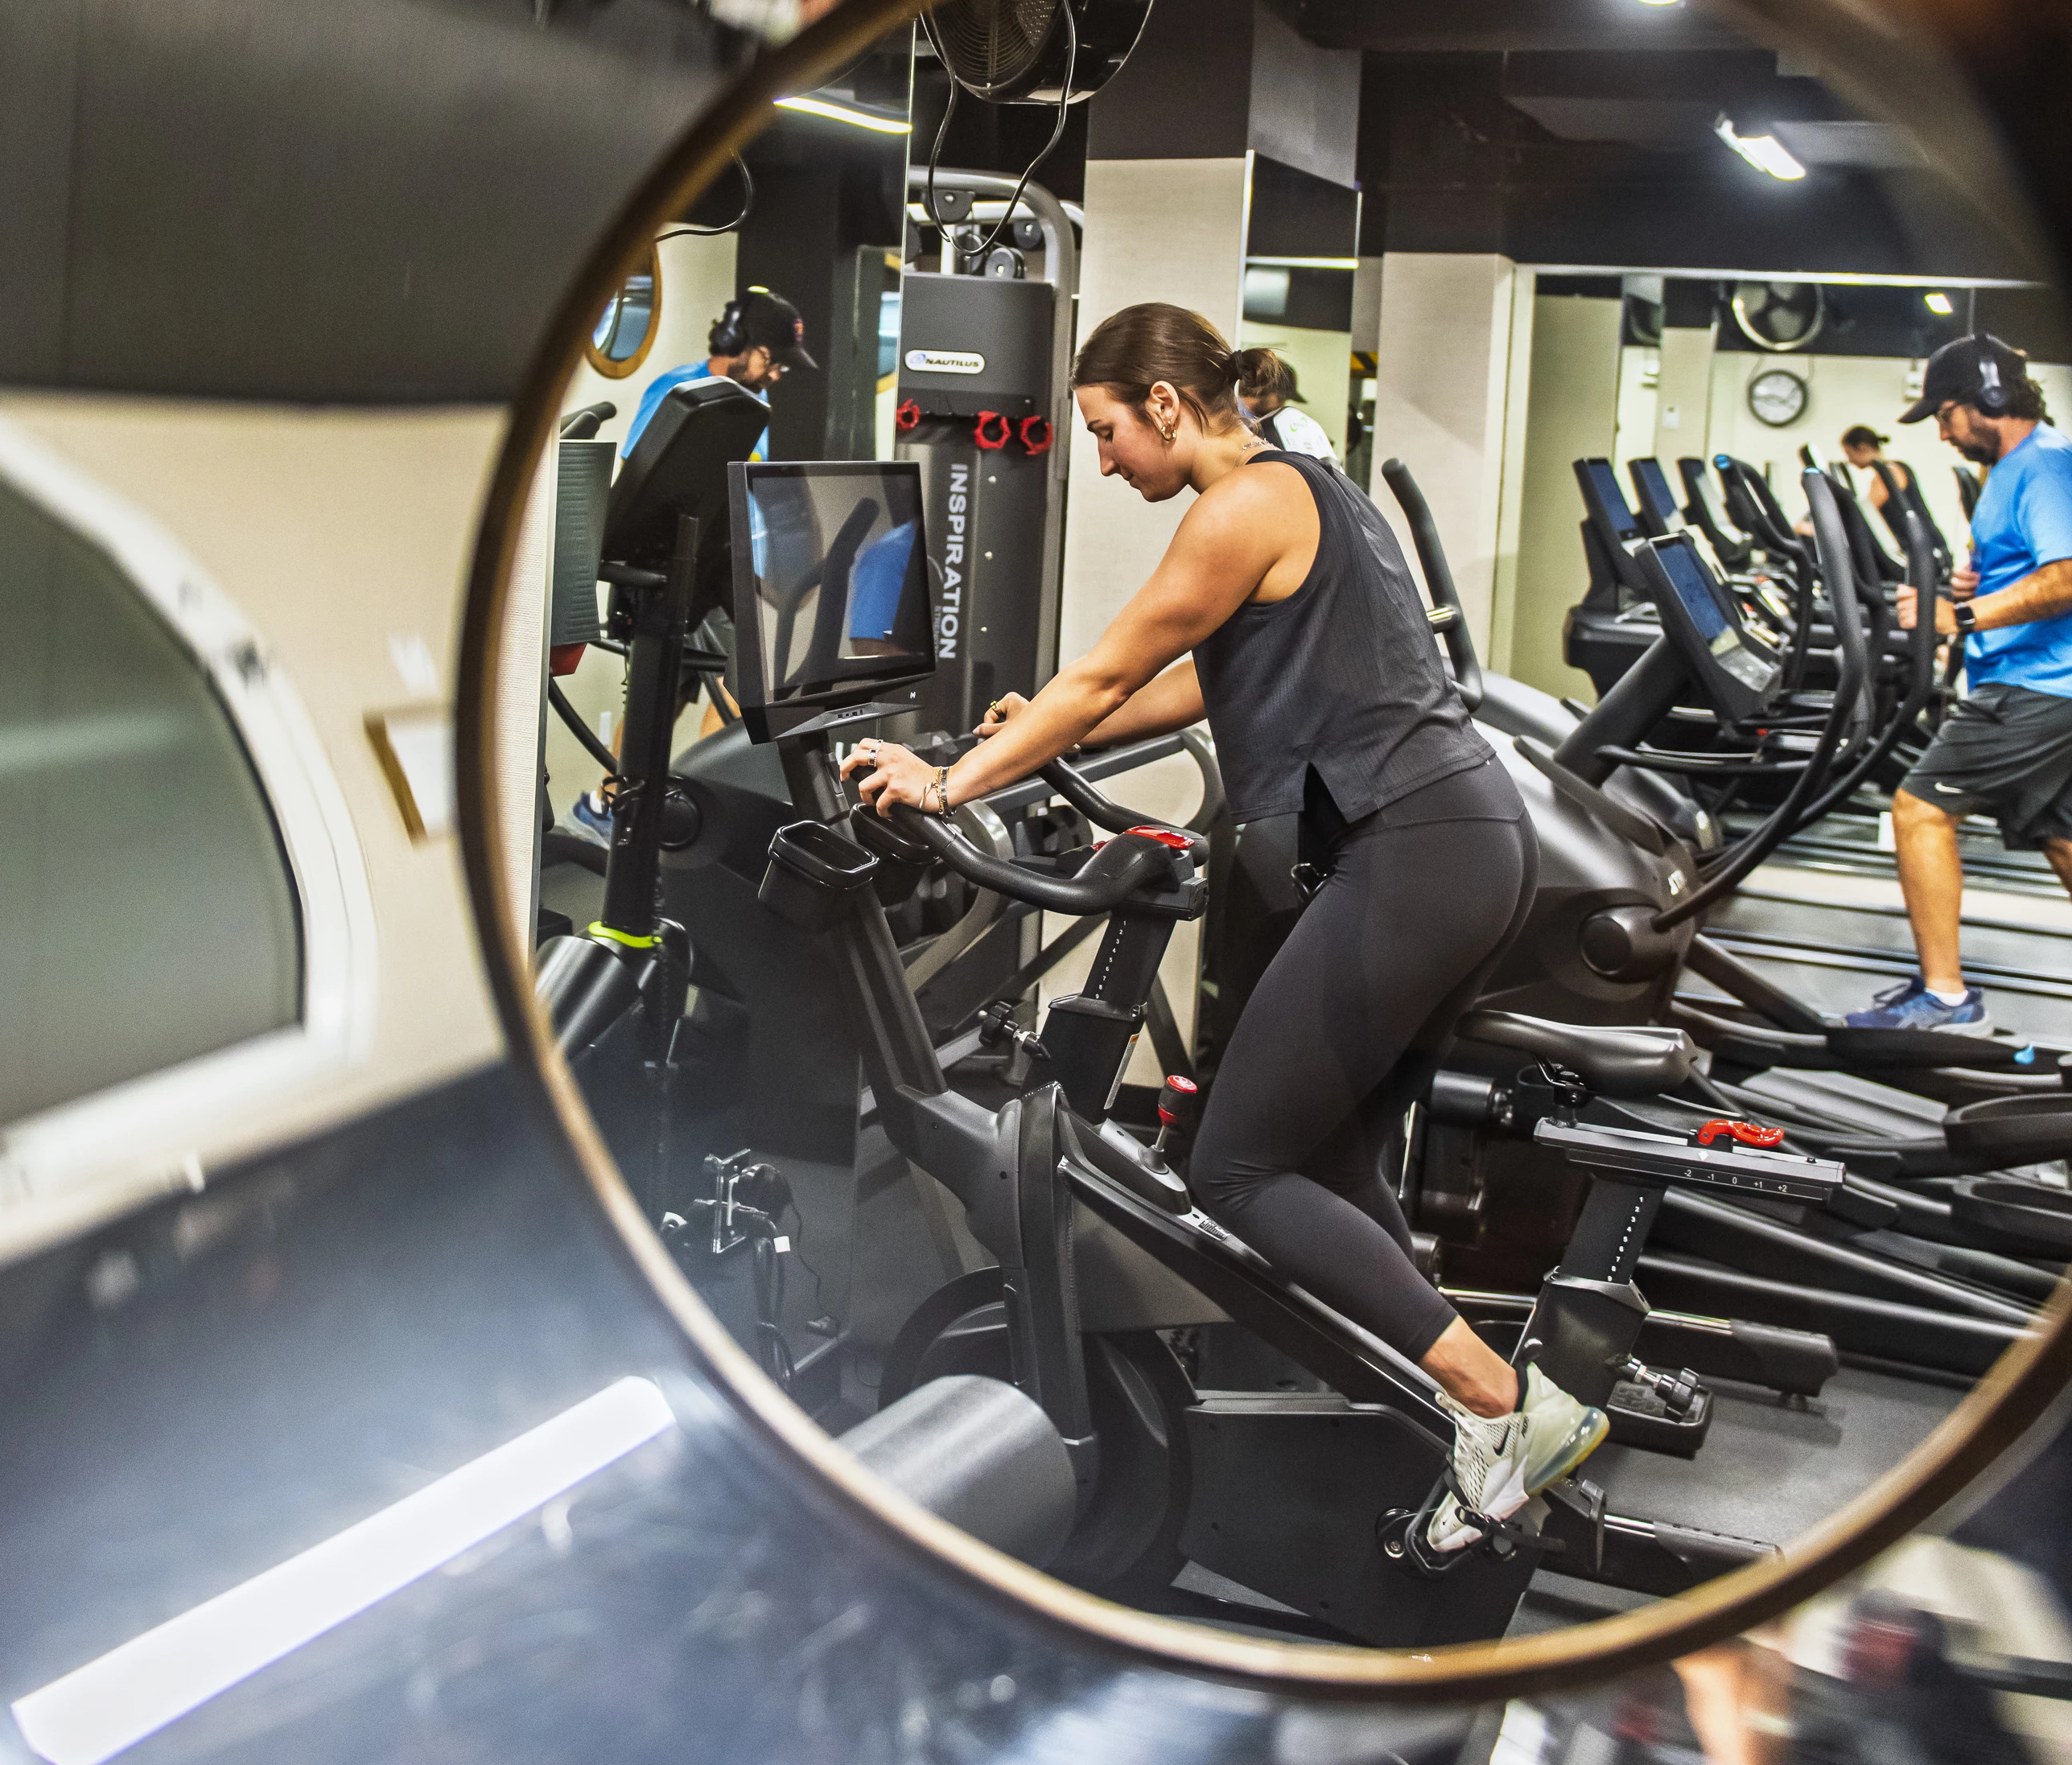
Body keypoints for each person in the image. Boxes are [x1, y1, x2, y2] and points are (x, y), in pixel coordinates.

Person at [842, 298, 1605, 1558]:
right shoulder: (1307, 480)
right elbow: (1203, 676)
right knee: (1335, 1166)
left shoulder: (1236, 506)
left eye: (1103, 435)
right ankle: (1440, 1420)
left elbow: (1103, 670)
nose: (1101, 463)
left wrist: (941, 786)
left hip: (1412, 853)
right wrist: (1045, 739)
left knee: (1235, 1171)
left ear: (1163, 405)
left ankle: (1502, 1405)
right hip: (1466, 843)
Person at [1848, 331, 2072, 1032]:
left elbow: (2068, 577)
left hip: (2037, 686)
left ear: (1989, 399)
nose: (1942, 435)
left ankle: (1945, 999)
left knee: (1918, 810)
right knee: (2062, 834)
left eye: (1944, 415)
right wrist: (1977, 582)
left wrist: (1962, 614)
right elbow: (2033, 565)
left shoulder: (2046, 466)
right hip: (2040, 680)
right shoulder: (2015, 469)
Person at [620, 283, 815, 453]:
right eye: (770, 360)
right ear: (735, 340)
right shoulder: (673, 390)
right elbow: (633, 481)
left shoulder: (755, 394)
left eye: (782, 367)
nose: (775, 375)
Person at [1236, 342, 1337, 462]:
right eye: (1281, 398)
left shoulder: (1259, 425)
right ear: (1267, 390)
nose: (1281, 405)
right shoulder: (1232, 417)